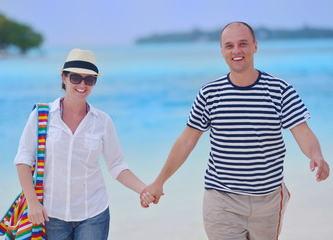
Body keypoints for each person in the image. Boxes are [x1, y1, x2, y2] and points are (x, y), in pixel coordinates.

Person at [140, 22, 330, 239]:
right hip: (221, 199)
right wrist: (159, 181)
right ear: (222, 51)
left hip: (268, 201)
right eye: (229, 46)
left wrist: (316, 155)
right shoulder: (209, 94)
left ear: (255, 46)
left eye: (243, 44)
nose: (236, 51)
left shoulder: (280, 90)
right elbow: (187, 140)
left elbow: (302, 130)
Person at [14, 48, 154, 240]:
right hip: (51, 214)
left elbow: (117, 166)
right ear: (64, 78)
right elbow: (23, 160)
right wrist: (32, 203)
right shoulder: (41, 115)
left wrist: (144, 190)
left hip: (93, 214)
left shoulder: (103, 121)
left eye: (89, 80)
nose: (82, 84)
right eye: (76, 78)